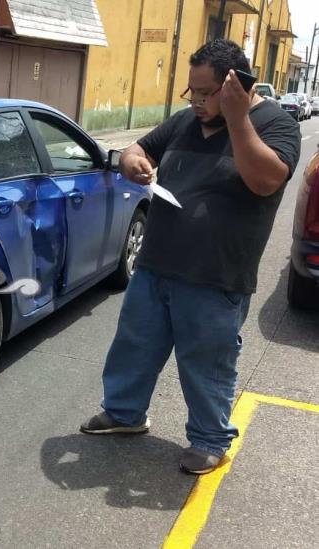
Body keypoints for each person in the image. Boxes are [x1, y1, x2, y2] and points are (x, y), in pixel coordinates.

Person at [80, 39, 301, 475]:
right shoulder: (184, 122)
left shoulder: (274, 125)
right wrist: (133, 161)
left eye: (206, 93)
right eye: (191, 92)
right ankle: (124, 414)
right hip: (156, 265)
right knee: (134, 347)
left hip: (215, 276)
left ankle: (210, 440)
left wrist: (237, 120)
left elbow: (266, 181)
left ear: (236, 86)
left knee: (206, 364)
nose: (196, 101)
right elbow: (137, 149)